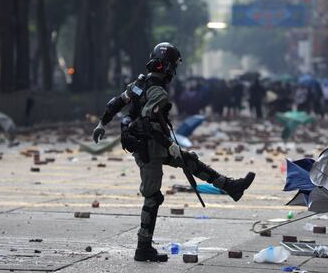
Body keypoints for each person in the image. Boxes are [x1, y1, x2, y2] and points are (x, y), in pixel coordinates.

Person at [92, 43, 255, 262]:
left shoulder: (139, 84)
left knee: (189, 161)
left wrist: (102, 123)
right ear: (168, 67)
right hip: (149, 147)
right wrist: (170, 145)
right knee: (152, 197)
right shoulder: (158, 91)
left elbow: (116, 103)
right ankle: (143, 247)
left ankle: (230, 186)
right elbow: (150, 123)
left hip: (148, 143)